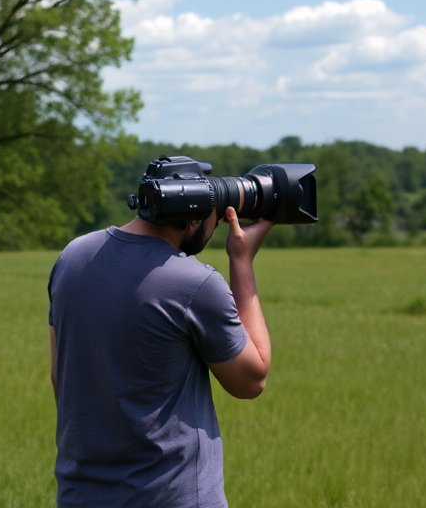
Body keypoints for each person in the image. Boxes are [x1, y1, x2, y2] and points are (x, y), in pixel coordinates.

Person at [47, 195, 274, 507]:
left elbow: (60, 376)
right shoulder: (194, 281)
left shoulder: (72, 257)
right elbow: (251, 380)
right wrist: (241, 261)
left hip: (81, 495)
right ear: (193, 215)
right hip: (171, 497)